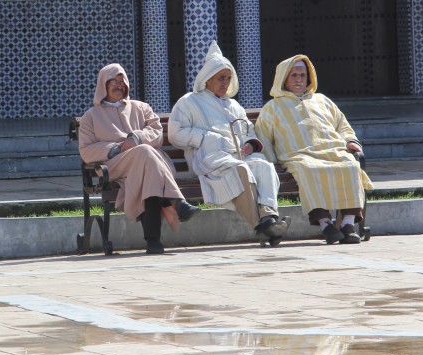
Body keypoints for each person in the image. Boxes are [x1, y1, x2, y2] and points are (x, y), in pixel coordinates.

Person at [168, 42, 289, 245]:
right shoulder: (188, 102)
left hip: (239, 155)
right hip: (208, 158)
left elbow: (249, 131)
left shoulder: (234, 105)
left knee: (263, 166)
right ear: (207, 79)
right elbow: (175, 134)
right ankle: (260, 224)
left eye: (228, 78)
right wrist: (206, 138)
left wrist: (251, 144)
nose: (225, 83)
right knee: (241, 169)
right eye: (220, 78)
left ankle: (269, 217)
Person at [78, 63, 200, 255]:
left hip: (148, 164)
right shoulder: (90, 117)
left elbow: (157, 133)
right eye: (114, 82)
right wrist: (116, 148)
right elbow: (86, 150)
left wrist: (137, 138)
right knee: (145, 154)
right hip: (114, 165)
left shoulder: (141, 108)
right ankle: (177, 203)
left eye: (122, 81)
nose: (119, 85)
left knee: (147, 172)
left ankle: (153, 242)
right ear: (103, 84)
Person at [255, 54, 373, 244]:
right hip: (298, 156)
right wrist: (270, 164)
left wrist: (351, 141)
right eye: (294, 75)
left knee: (351, 165)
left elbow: (342, 125)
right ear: (283, 78)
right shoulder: (272, 107)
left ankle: (348, 225)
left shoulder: (322, 100)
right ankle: (326, 224)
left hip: (332, 150)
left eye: (302, 75)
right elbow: (264, 138)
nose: (299, 79)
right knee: (310, 170)